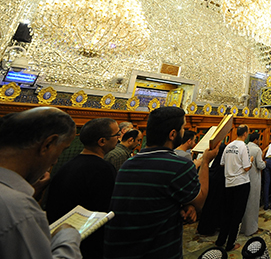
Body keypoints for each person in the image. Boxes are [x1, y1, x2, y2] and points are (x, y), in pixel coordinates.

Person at [104, 107, 218, 259]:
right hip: (156, 251)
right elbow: (200, 200)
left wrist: (181, 206)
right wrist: (205, 161)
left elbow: (151, 201)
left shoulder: (129, 164)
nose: (183, 132)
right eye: (183, 128)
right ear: (172, 134)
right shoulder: (179, 165)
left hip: (122, 250)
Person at [0, 108, 81, 259]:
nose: (55, 161)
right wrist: (67, 236)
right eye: (61, 150)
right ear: (48, 144)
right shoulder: (19, 210)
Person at [47, 118, 119, 259]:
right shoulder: (103, 169)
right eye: (116, 135)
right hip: (86, 244)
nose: (119, 138)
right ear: (102, 141)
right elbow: (105, 209)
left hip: (60, 238)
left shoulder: (68, 165)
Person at [217, 124, 252, 251]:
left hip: (228, 183)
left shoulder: (228, 145)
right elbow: (246, 167)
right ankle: (230, 243)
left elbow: (222, 163)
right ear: (245, 133)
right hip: (241, 183)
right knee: (237, 215)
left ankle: (221, 240)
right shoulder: (243, 146)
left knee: (227, 213)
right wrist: (251, 161)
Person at [241, 132, 266, 236]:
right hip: (254, 179)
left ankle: (242, 227)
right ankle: (251, 229)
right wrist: (265, 163)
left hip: (244, 178)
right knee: (253, 203)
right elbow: (260, 165)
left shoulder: (245, 147)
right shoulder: (257, 149)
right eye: (259, 139)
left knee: (245, 203)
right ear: (256, 140)